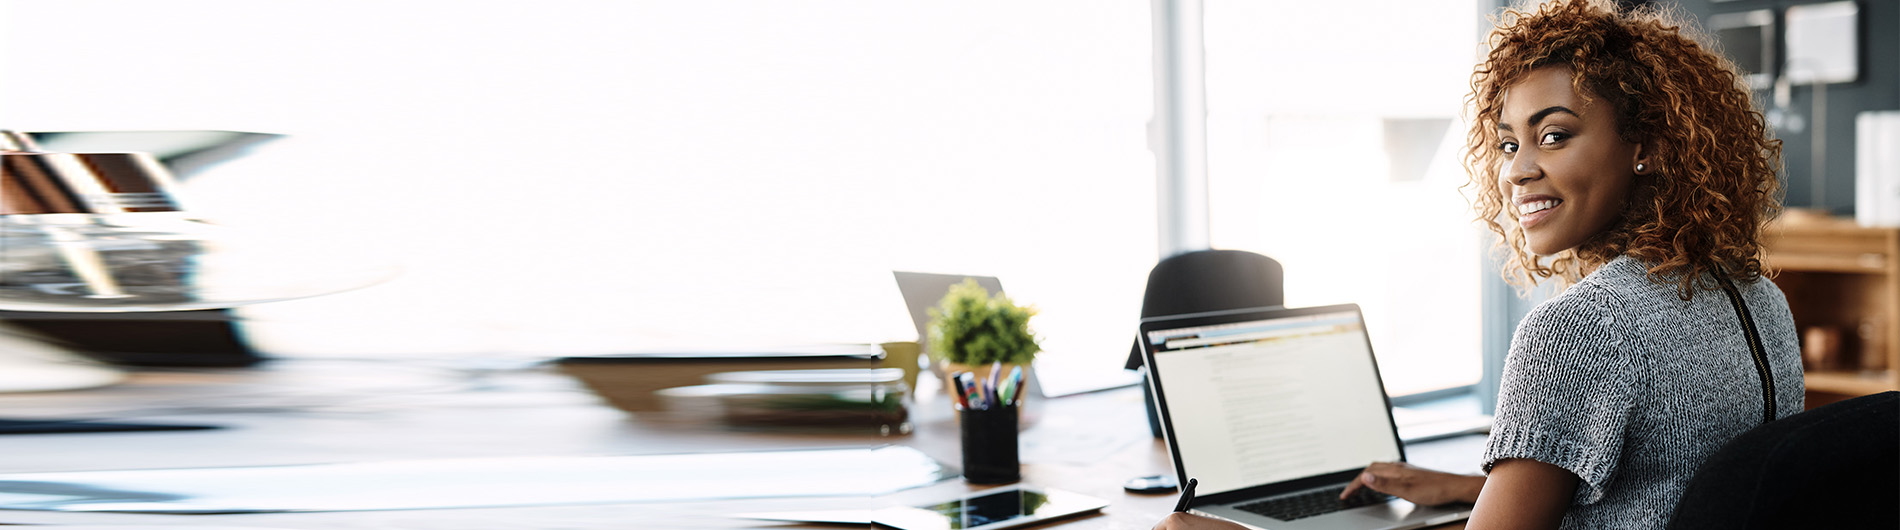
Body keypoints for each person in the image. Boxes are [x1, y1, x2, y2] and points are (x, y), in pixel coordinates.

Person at [1154, 0, 1800, 528]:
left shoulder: (1585, 327)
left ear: (1650, 146)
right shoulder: (1751, 293)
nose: (1518, 170)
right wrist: (1471, 488)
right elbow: (1667, 486)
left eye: (1555, 135)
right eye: (1508, 142)